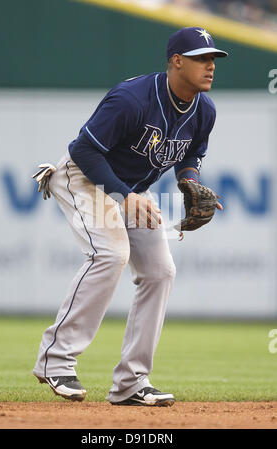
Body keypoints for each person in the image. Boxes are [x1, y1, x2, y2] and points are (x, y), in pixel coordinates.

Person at [32, 27, 228, 407]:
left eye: (213, 59)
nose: (210, 66)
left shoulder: (205, 110)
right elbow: (85, 150)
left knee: (160, 271)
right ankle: (55, 360)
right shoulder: (132, 98)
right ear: (176, 61)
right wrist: (123, 195)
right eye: (201, 58)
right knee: (110, 253)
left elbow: (191, 155)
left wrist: (189, 182)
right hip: (83, 178)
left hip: (131, 191)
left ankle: (131, 382)